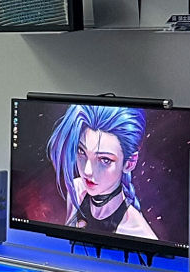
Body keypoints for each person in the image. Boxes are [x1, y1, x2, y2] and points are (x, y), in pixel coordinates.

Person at [46, 103, 157, 241]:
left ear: (129, 163)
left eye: (105, 160)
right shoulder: (77, 190)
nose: (87, 171)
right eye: (81, 151)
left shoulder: (139, 233)